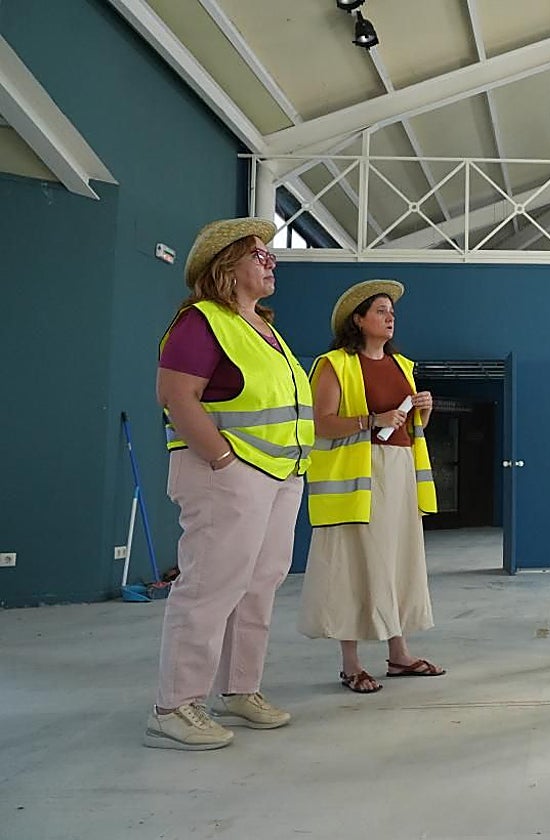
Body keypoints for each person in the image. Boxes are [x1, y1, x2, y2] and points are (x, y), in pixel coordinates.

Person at [147, 218, 314, 750]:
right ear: (227, 264)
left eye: (271, 255)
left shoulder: (262, 327)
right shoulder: (203, 320)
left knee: (259, 583)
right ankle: (174, 706)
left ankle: (239, 689)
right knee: (209, 585)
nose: (272, 262)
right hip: (229, 474)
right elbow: (176, 395)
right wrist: (222, 461)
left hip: (279, 474)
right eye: (260, 255)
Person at [299, 280, 445, 693]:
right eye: (381, 310)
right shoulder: (334, 364)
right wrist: (370, 420)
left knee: (397, 560)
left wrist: (424, 412)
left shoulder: (404, 366)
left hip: (399, 473)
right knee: (355, 564)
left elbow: (408, 431)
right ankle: (351, 664)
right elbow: (320, 422)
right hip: (357, 478)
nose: (390, 316)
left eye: (392, 311)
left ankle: (399, 654)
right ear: (358, 319)